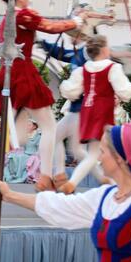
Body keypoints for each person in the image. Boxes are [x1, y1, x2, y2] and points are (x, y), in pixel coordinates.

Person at [0, 123, 131, 262]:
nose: (99, 158)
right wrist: (10, 195)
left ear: (120, 157)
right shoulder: (106, 196)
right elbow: (59, 206)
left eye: (102, 152)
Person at [0, 0, 84, 193]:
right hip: (23, 74)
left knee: (17, 137)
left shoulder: (7, 18)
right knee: (50, 127)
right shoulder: (21, 15)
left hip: (10, 75)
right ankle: (45, 176)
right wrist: (75, 21)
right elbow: (50, 27)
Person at [58, 35, 131, 194]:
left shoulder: (84, 69)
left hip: (87, 111)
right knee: (103, 152)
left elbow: (71, 91)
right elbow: (124, 92)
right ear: (103, 49)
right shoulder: (112, 67)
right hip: (102, 112)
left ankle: (111, 184)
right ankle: (116, 185)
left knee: (101, 152)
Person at [38, 37, 94, 191]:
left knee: (58, 139)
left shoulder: (89, 56)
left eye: (73, 34)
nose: (71, 37)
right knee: (75, 149)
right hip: (76, 109)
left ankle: (61, 176)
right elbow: (62, 53)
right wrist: (44, 44)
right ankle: (62, 176)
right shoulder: (79, 54)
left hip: (83, 108)